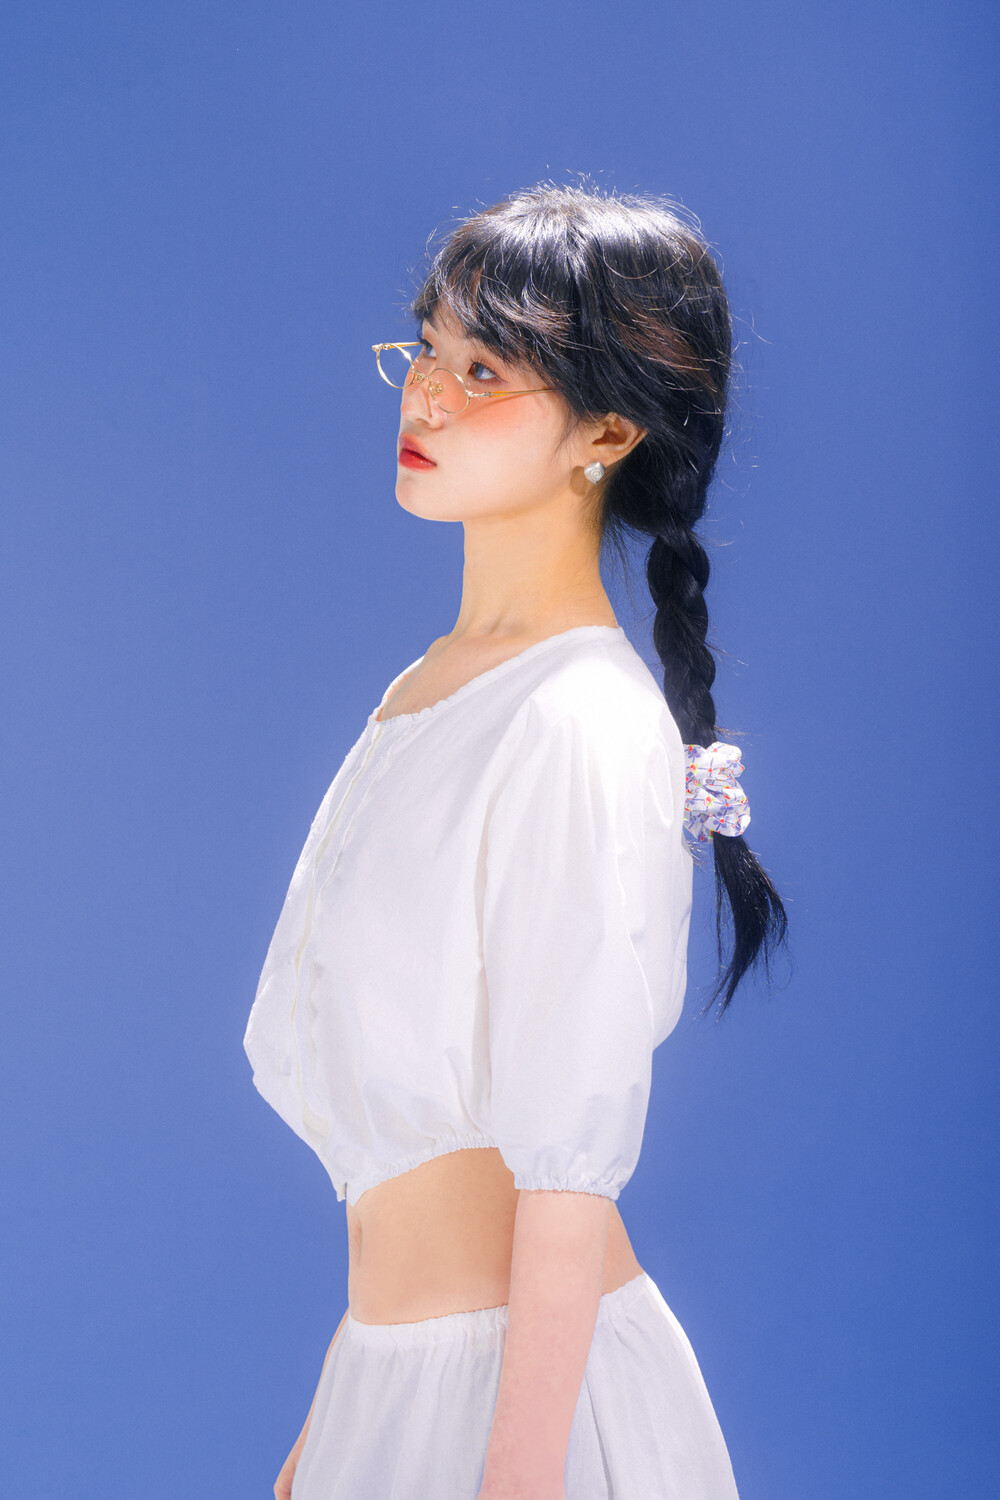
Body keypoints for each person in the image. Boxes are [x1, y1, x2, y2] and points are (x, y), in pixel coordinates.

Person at [243, 180, 789, 1500]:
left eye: (484, 369)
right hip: (394, 1382)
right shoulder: (429, 690)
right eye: (426, 349)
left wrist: (519, 1477)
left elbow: (563, 1173)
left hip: (528, 1409)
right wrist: (331, 1431)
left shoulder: (578, 721)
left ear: (608, 428)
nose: (427, 396)